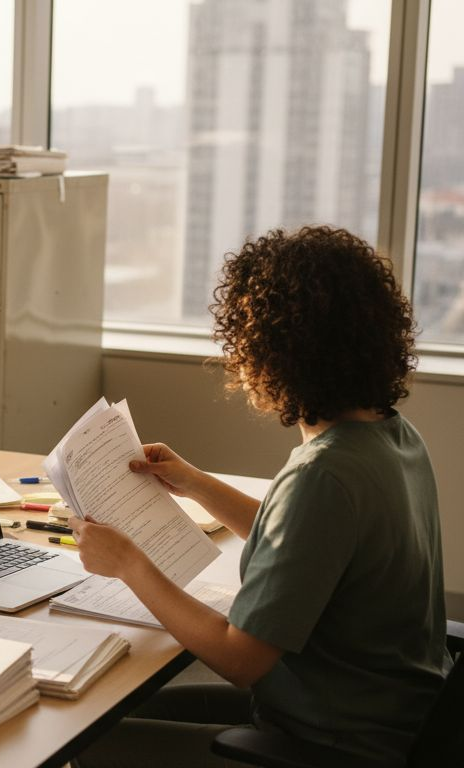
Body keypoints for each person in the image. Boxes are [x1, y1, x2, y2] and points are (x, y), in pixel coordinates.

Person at [71, 226, 448, 767]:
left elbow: (239, 657)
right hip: (391, 718)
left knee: (90, 742)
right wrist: (195, 482)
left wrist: (129, 563)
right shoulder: (391, 436)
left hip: (334, 744)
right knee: (120, 709)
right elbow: (305, 543)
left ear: (277, 352)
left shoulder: (323, 474)